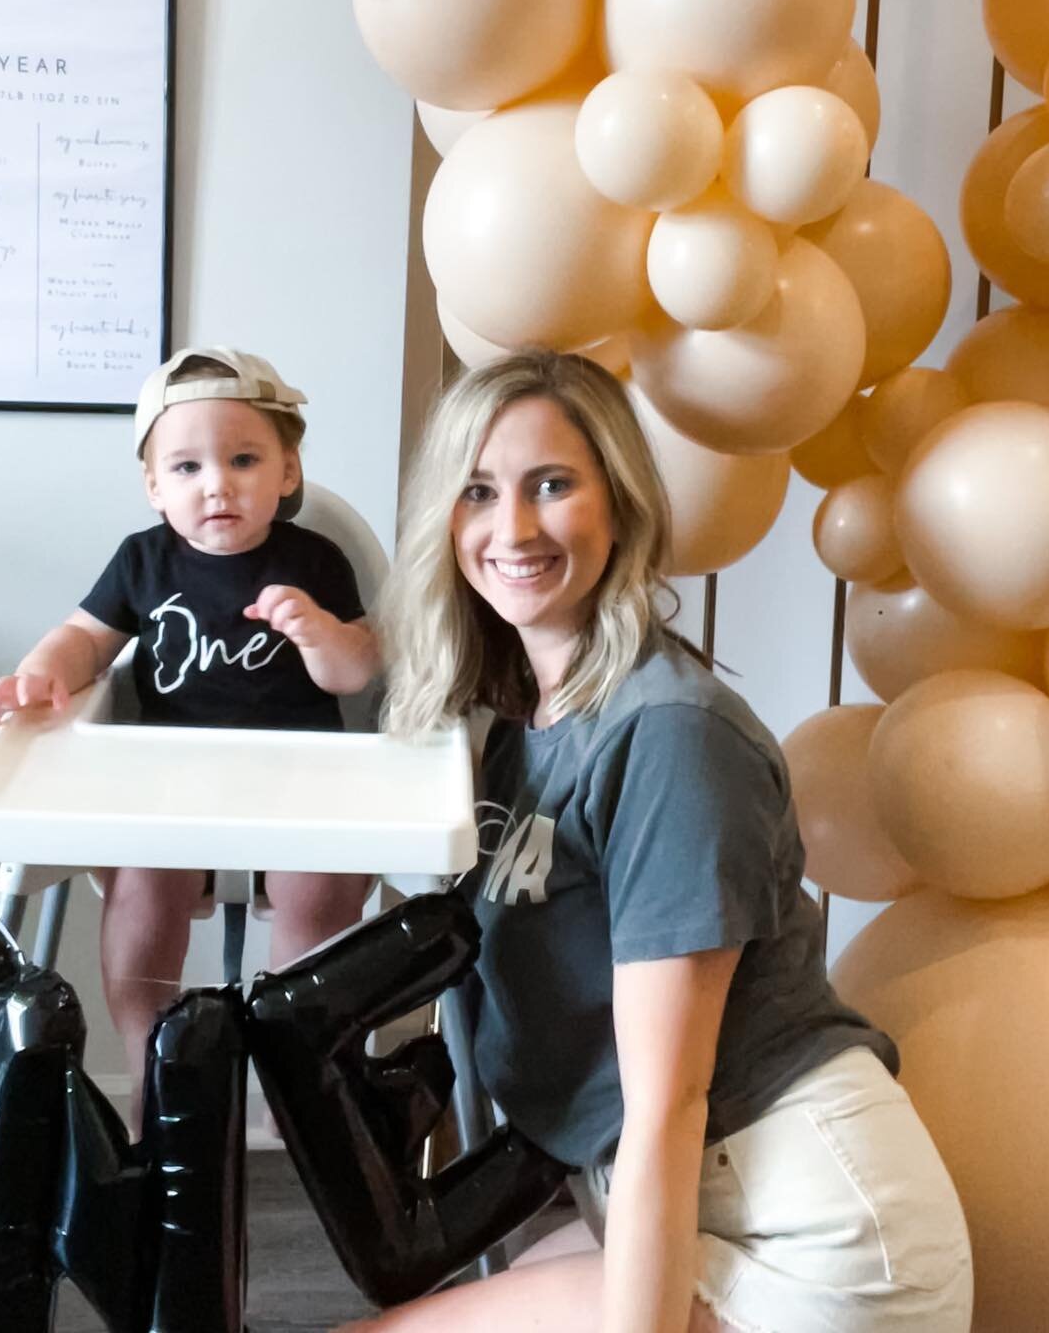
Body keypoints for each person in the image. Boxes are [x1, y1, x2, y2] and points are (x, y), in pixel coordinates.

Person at [357, 349, 972, 1333]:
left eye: (551, 485)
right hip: (704, 1194)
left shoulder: (670, 736)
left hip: (815, 1242)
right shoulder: (534, 715)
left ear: (621, 505)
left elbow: (670, 1108)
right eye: (478, 492)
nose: (512, 528)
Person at [0, 345, 379, 1126]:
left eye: (244, 459)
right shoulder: (143, 561)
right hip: (169, 785)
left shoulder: (314, 561)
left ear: (288, 473)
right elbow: (83, 639)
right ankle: (150, 1061)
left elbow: (354, 674)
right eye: (187, 468)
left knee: (321, 894)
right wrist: (38, 673)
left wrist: (320, 631)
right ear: (155, 488)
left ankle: (301, 1062)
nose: (217, 483)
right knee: (140, 894)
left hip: (302, 780)